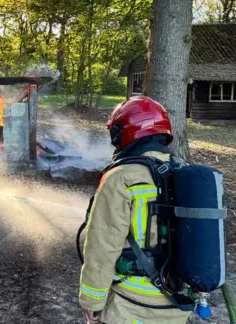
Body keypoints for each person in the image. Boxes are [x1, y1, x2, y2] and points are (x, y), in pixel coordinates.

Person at [79, 96, 192, 324]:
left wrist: (92, 301)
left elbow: (103, 245)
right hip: (179, 307)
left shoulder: (120, 178)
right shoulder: (185, 174)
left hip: (132, 306)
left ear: (127, 132)